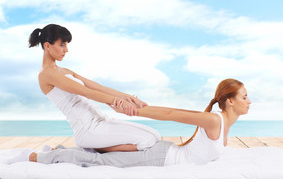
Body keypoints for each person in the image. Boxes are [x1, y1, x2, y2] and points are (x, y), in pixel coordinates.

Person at [8, 78, 251, 167]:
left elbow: (177, 111)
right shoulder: (213, 121)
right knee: (98, 161)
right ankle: (34, 158)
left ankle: (56, 151)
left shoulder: (223, 123)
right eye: (244, 97)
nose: (248, 101)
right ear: (229, 102)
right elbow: (171, 114)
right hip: (159, 158)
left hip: (163, 152)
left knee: (103, 156)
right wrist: (135, 110)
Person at [27, 24, 160, 153]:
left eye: (67, 44)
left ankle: (96, 146)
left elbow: (98, 87)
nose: (66, 50)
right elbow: (86, 92)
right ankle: (97, 148)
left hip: (101, 120)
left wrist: (128, 97)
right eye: (62, 45)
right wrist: (118, 102)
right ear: (47, 46)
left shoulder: (63, 70)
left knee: (155, 135)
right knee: (147, 141)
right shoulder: (46, 74)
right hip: (88, 129)